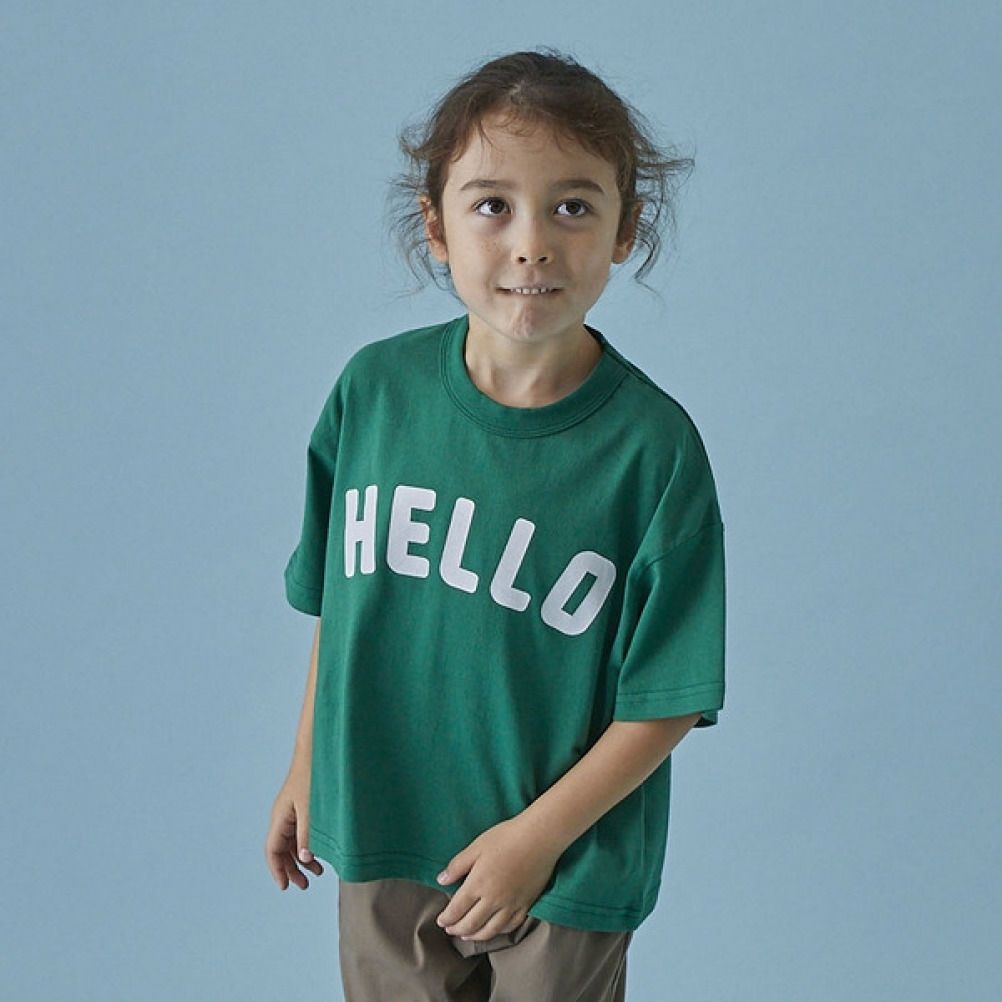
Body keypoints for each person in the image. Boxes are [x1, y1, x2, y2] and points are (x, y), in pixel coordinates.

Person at [264, 46, 726, 1002]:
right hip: (387, 827)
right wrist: (309, 766)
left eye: (573, 206)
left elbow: (668, 697)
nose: (532, 244)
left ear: (626, 228)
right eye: (491, 206)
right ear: (434, 225)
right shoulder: (373, 395)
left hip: (566, 860)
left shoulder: (653, 452)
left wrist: (533, 841)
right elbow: (341, 610)